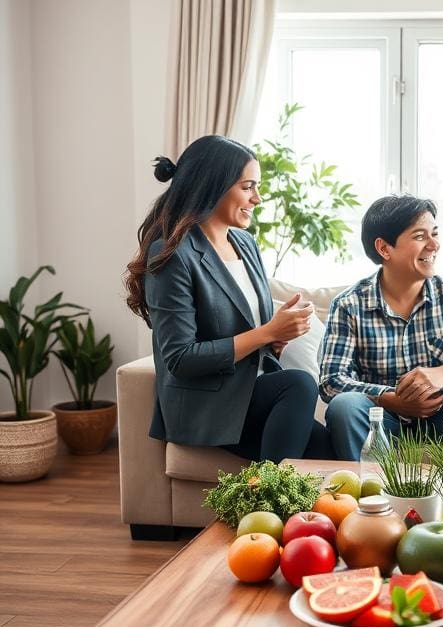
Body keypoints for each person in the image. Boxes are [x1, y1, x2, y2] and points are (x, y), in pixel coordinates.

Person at [124, 135, 331, 463]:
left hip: (254, 394)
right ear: (213, 185)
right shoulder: (172, 255)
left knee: (331, 448)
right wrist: (268, 332)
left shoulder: (246, 244)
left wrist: (278, 337)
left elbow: (251, 334)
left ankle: (270, 505)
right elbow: (180, 358)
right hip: (208, 403)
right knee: (299, 384)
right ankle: (267, 501)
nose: (258, 198)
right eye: (248, 187)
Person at [319, 195, 443, 459]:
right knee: (345, 406)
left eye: (435, 234)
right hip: (382, 422)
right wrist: (390, 398)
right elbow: (332, 382)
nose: (434, 245)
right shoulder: (349, 305)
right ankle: (364, 496)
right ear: (385, 248)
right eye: (420, 236)